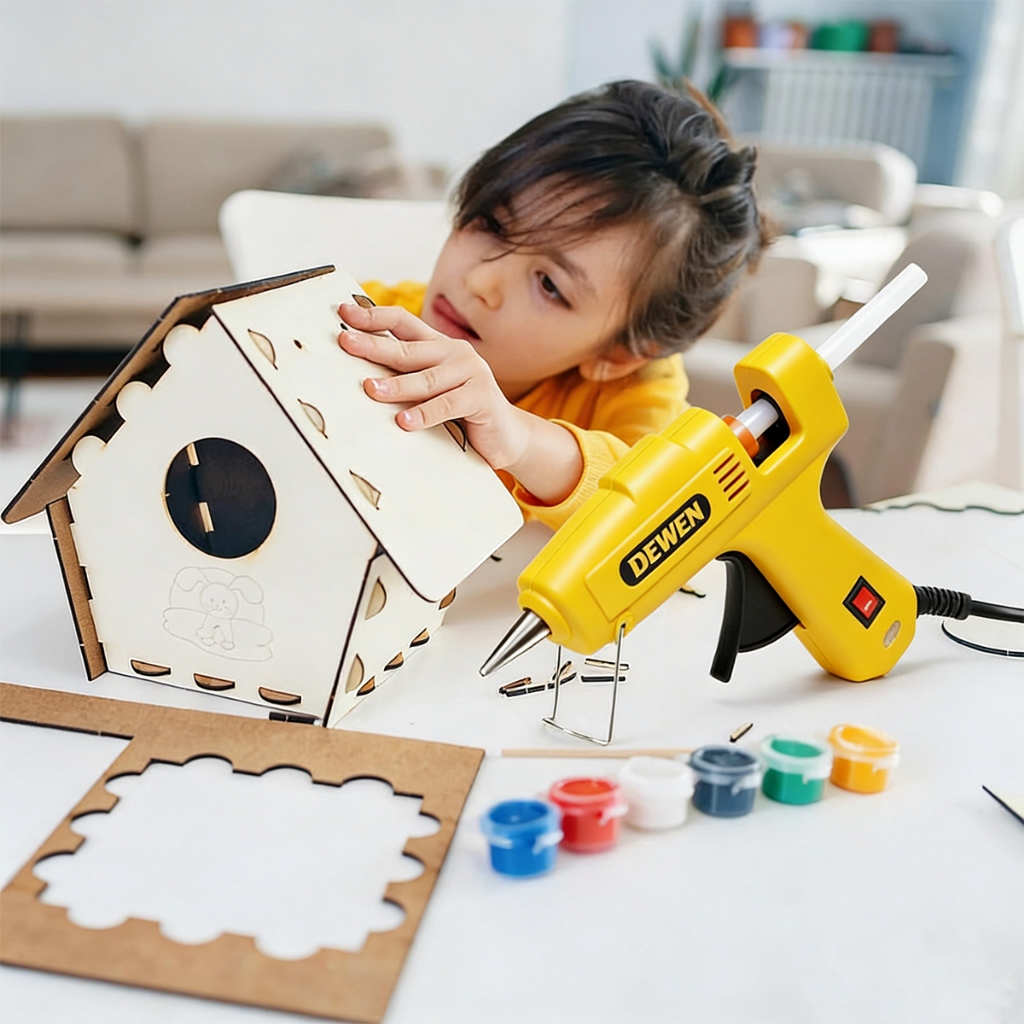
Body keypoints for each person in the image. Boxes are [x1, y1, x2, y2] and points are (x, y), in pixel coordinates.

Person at [337, 79, 769, 530]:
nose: (480, 282)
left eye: (548, 284)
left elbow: (661, 504)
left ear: (617, 354)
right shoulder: (370, 319)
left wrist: (520, 440)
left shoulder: (636, 389)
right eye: (492, 224)